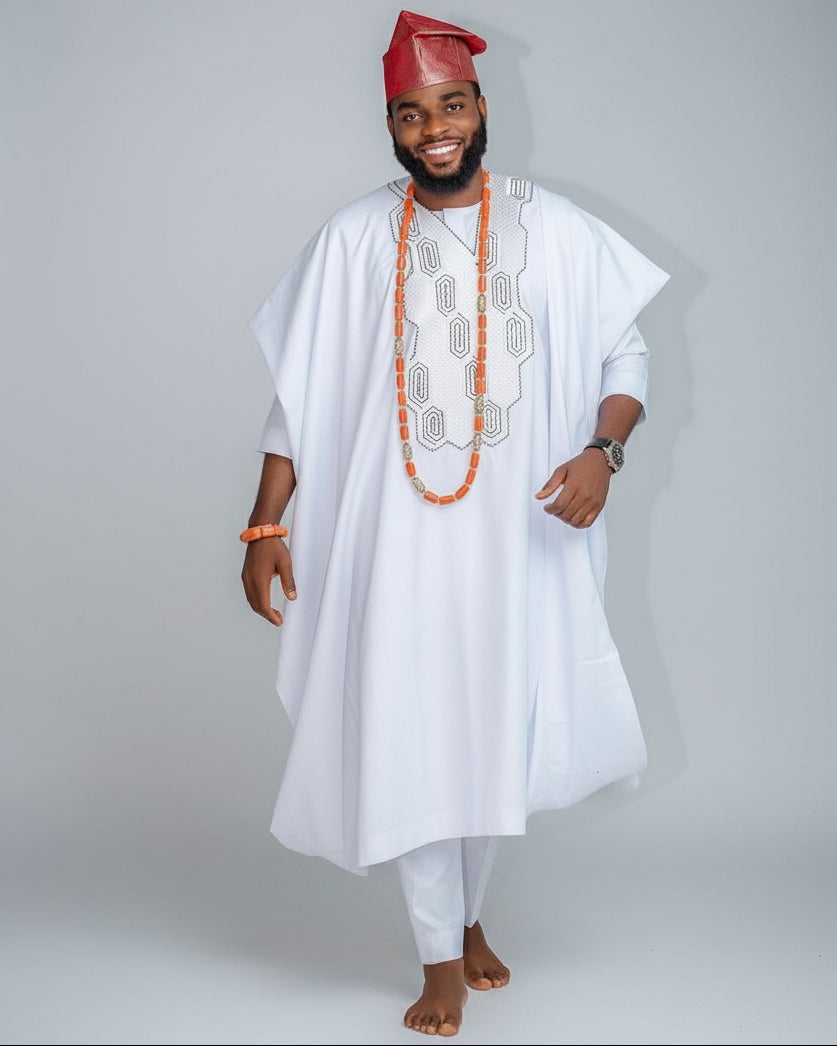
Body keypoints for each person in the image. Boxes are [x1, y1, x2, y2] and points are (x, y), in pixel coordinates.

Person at [240, 10, 670, 1037]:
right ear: (389, 127)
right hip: (396, 544)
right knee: (415, 727)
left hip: (519, 537)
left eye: (449, 105)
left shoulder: (555, 227)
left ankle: (468, 916)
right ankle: (438, 953)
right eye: (408, 113)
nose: (431, 127)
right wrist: (263, 526)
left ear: (482, 108)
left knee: (487, 726)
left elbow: (629, 357)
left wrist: (602, 454)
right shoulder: (352, 240)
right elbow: (299, 399)